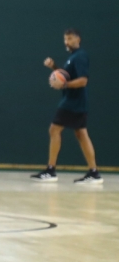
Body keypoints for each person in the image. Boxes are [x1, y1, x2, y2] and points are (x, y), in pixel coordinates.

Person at [31, 29, 102, 184]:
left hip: (73, 102)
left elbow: (83, 81)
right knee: (81, 134)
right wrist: (53, 67)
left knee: (54, 130)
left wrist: (64, 85)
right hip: (76, 101)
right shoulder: (72, 57)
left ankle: (51, 170)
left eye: (70, 39)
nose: (66, 42)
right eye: (65, 39)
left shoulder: (80, 56)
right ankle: (94, 172)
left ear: (78, 39)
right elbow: (65, 76)